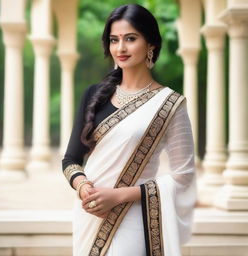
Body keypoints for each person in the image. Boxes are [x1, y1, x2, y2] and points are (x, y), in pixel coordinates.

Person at [62, 4, 196, 256]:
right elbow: (71, 160)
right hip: (88, 216)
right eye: (114, 40)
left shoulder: (170, 104)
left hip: (133, 215)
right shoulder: (94, 95)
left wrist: (120, 195)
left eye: (130, 39)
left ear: (151, 45)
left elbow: (184, 175)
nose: (120, 48)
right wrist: (83, 186)